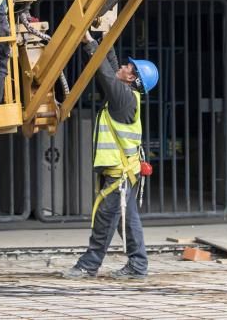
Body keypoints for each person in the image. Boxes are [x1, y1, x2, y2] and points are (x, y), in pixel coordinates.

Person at [64, 32, 159, 280]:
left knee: (105, 218)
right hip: (124, 172)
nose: (124, 67)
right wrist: (105, 36)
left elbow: (105, 73)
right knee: (127, 221)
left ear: (132, 79)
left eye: (129, 67)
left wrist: (89, 44)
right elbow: (113, 65)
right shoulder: (127, 95)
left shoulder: (124, 98)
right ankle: (138, 266)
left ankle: (89, 264)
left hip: (120, 174)